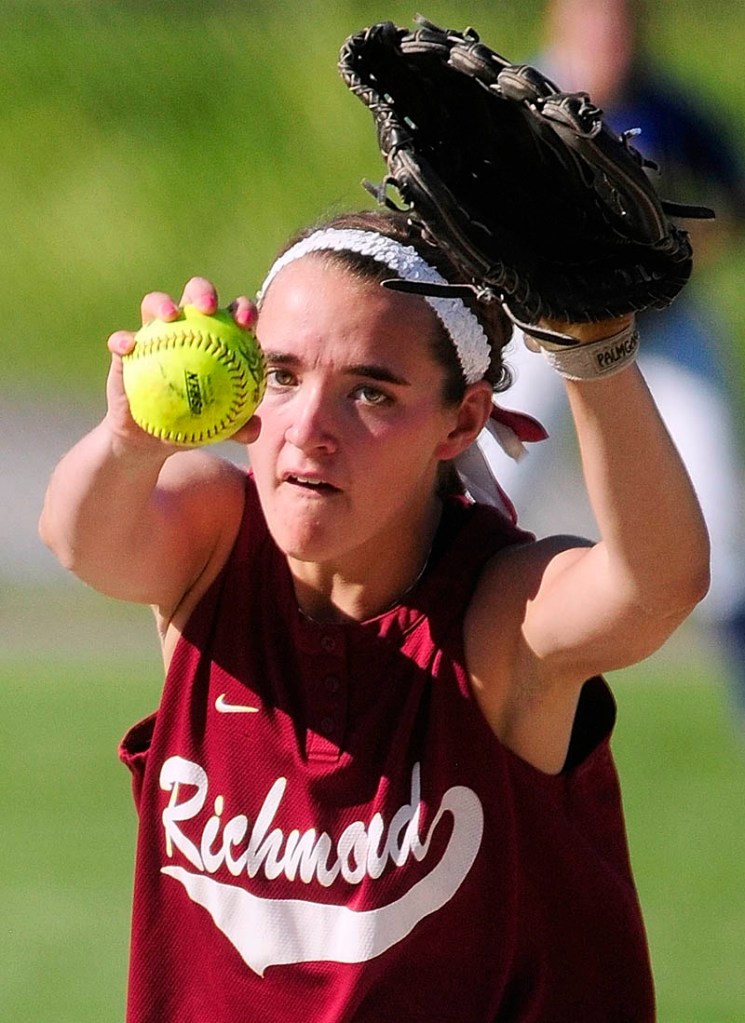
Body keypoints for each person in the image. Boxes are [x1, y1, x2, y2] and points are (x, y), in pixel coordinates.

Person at [39, 206, 709, 1022]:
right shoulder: (215, 548)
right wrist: (128, 440)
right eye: (281, 375)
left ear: (459, 420)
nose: (309, 429)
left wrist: (592, 352)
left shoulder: (491, 611)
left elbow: (655, 583)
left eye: (369, 392)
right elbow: (82, 541)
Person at [497, 0, 745, 711]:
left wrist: (666, 249)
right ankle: (435, 669)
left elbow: (725, 211)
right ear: (558, 18)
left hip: (661, 330)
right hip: (538, 330)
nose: (610, 33)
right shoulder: (513, 103)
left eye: (622, 18)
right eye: (594, 16)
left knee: (719, 521)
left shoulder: (673, 113)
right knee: (483, 487)